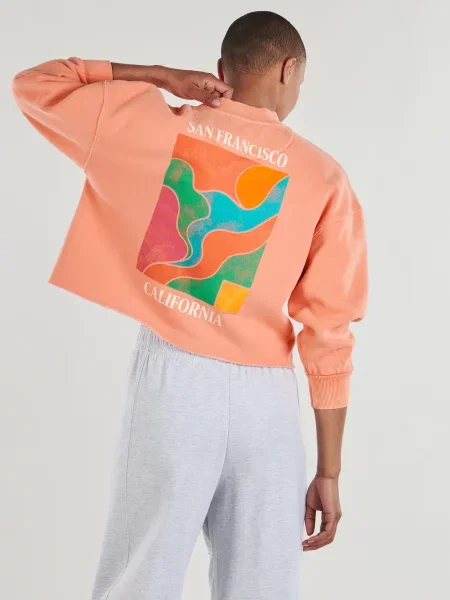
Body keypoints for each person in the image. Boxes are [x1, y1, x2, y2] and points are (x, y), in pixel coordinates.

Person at [12, 10, 367, 600]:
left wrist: (156, 76)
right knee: (264, 586)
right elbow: (329, 332)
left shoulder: (146, 125)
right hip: (267, 402)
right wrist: (328, 471)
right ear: (289, 69)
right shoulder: (325, 177)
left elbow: (37, 83)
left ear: (221, 69)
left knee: (140, 576)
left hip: (173, 382)